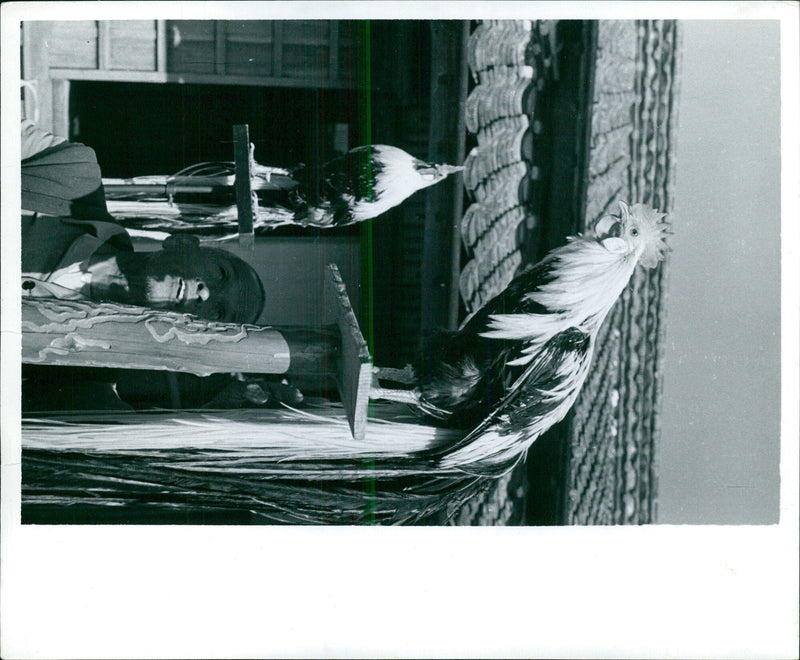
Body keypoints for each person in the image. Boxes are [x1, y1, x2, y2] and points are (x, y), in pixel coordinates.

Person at [21, 120, 300, 411]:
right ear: (182, 242)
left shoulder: (86, 378)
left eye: (218, 313)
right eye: (220, 274)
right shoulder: (69, 171)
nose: (206, 295)